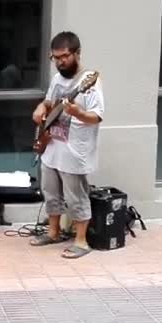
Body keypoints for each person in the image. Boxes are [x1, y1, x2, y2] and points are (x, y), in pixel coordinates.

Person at [30, 31, 104, 259]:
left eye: (64, 56)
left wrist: (77, 112)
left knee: (76, 197)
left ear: (77, 53)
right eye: (56, 58)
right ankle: (54, 231)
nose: (60, 62)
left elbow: (97, 116)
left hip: (75, 150)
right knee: (51, 192)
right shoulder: (57, 78)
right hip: (52, 145)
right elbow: (49, 101)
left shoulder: (89, 81)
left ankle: (81, 241)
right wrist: (41, 108)